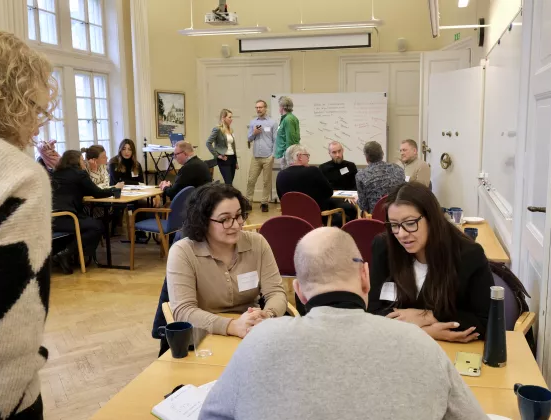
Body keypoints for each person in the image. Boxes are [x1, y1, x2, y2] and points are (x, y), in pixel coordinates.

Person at [200, 227, 487, 420]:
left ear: (298, 292)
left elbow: (211, 415)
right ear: (365, 276)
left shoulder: (258, 343)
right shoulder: (420, 344)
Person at [0, 26, 57, 419]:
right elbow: (5, 335)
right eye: (37, 109)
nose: (39, 124)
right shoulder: (15, 175)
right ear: (10, 98)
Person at [369, 182, 494, 341]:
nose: (401, 234)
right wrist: (426, 332)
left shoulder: (468, 255)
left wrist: (427, 316)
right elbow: (373, 312)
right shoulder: (384, 247)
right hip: (398, 346)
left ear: (431, 219)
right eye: (394, 225)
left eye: (410, 223)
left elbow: (486, 322)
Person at [166, 183, 287, 337]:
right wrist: (233, 326)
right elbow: (184, 311)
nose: (236, 225)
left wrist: (267, 316)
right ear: (203, 221)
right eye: (225, 219)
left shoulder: (257, 243)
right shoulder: (183, 252)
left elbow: (276, 292)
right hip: (205, 333)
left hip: (252, 331)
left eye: (238, 216)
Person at [52, 150, 113, 274]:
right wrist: (115, 190)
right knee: (97, 226)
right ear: (76, 161)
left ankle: (69, 255)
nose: (84, 161)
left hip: (51, 218)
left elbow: (76, 190)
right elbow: (97, 192)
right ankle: (66, 253)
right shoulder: (79, 174)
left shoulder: (55, 173)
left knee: (87, 222)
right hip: (66, 217)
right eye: (81, 159)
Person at [276, 145, 333, 213]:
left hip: (291, 218)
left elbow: (282, 198)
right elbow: (329, 192)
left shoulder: (280, 175)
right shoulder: (313, 171)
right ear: (299, 157)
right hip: (315, 217)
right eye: (307, 155)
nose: (308, 159)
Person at [355, 141, 405, 214]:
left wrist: (357, 200)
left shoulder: (361, 175)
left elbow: (363, 206)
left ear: (366, 158)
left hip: (376, 219)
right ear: (382, 154)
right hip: (398, 215)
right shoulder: (398, 169)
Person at [245, 100, 277, 212]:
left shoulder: (272, 122)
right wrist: (254, 133)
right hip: (256, 156)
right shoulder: (253, 122)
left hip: (268, 156)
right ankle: (248, 201)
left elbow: (275, 140)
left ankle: (264, 202)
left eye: (260, 107)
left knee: (266, 181)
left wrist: (273, 155)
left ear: (265, 108)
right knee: (251, 180)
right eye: (257, 107)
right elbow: (249, 139)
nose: (258, 109)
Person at [319, 140, 358, 220]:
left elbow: (356, 184)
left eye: (339, 151)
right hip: (332, 198)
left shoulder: (351, 166)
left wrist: (350, 195)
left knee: (352, 208)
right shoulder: (323, 168)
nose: (337, 155)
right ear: (329, 153)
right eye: (334, 152)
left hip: (349, 197)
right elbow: (323, 188)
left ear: (342, 151)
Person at [206, 109, 239, 185]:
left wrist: (236, 161)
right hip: (224, 159)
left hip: (232, 158)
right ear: (223, 118)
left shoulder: (230, 130)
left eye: (231, 117)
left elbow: (233, 146)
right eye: (229, 117)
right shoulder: (217, 129)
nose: (231, 119)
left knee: (230, 184)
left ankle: (228, 196)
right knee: (229, 183)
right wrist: (218, 155)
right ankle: (228, 197)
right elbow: (208, 143)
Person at [273, 96, 300, 170]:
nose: (279, 108)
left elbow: (290, 139)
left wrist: (287, 157)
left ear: (282, 107)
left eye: (279, 106)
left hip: (288, 156)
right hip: (286, 154)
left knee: (287, 179)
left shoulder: (288, 119)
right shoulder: (287, 118)